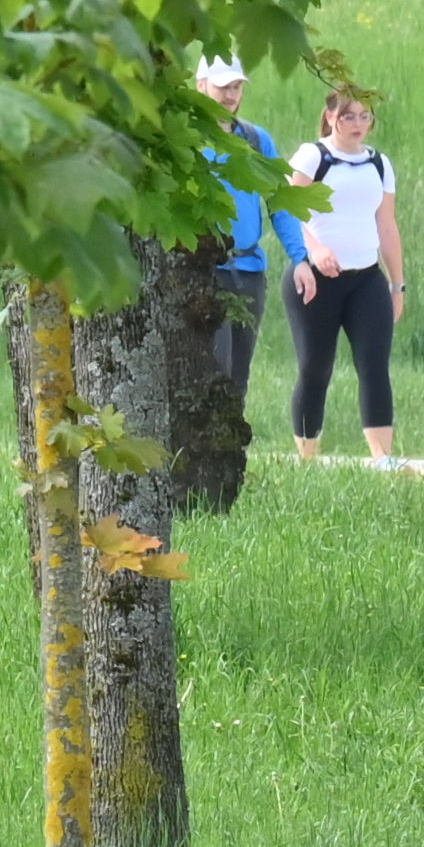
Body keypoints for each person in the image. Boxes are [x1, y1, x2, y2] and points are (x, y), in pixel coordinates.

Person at [167, 54, 284, 511]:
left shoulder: (255, 140)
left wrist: (303, 260)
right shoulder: (185, 137)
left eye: (237, 87)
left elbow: (280, 202)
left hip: (248, 271)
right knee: (208, 372)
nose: (231, 96)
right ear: (201, 86)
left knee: (237, 378)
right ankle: (190, 478)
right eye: (222, 87)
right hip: (201, 270)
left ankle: (224, 480)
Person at [283, 80, 410, 465]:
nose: (357, 124)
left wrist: (397, 284)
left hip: (365, 279)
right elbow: (288, 209)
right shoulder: (313, 156)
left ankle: (383, 459)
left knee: (374, 364)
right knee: (315, 367)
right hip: (316, 279)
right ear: (330, 117)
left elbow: (386, 225)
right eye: (348, 116)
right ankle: (307, 458)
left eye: (364, 117)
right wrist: (314, 250)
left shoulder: (379, 164)